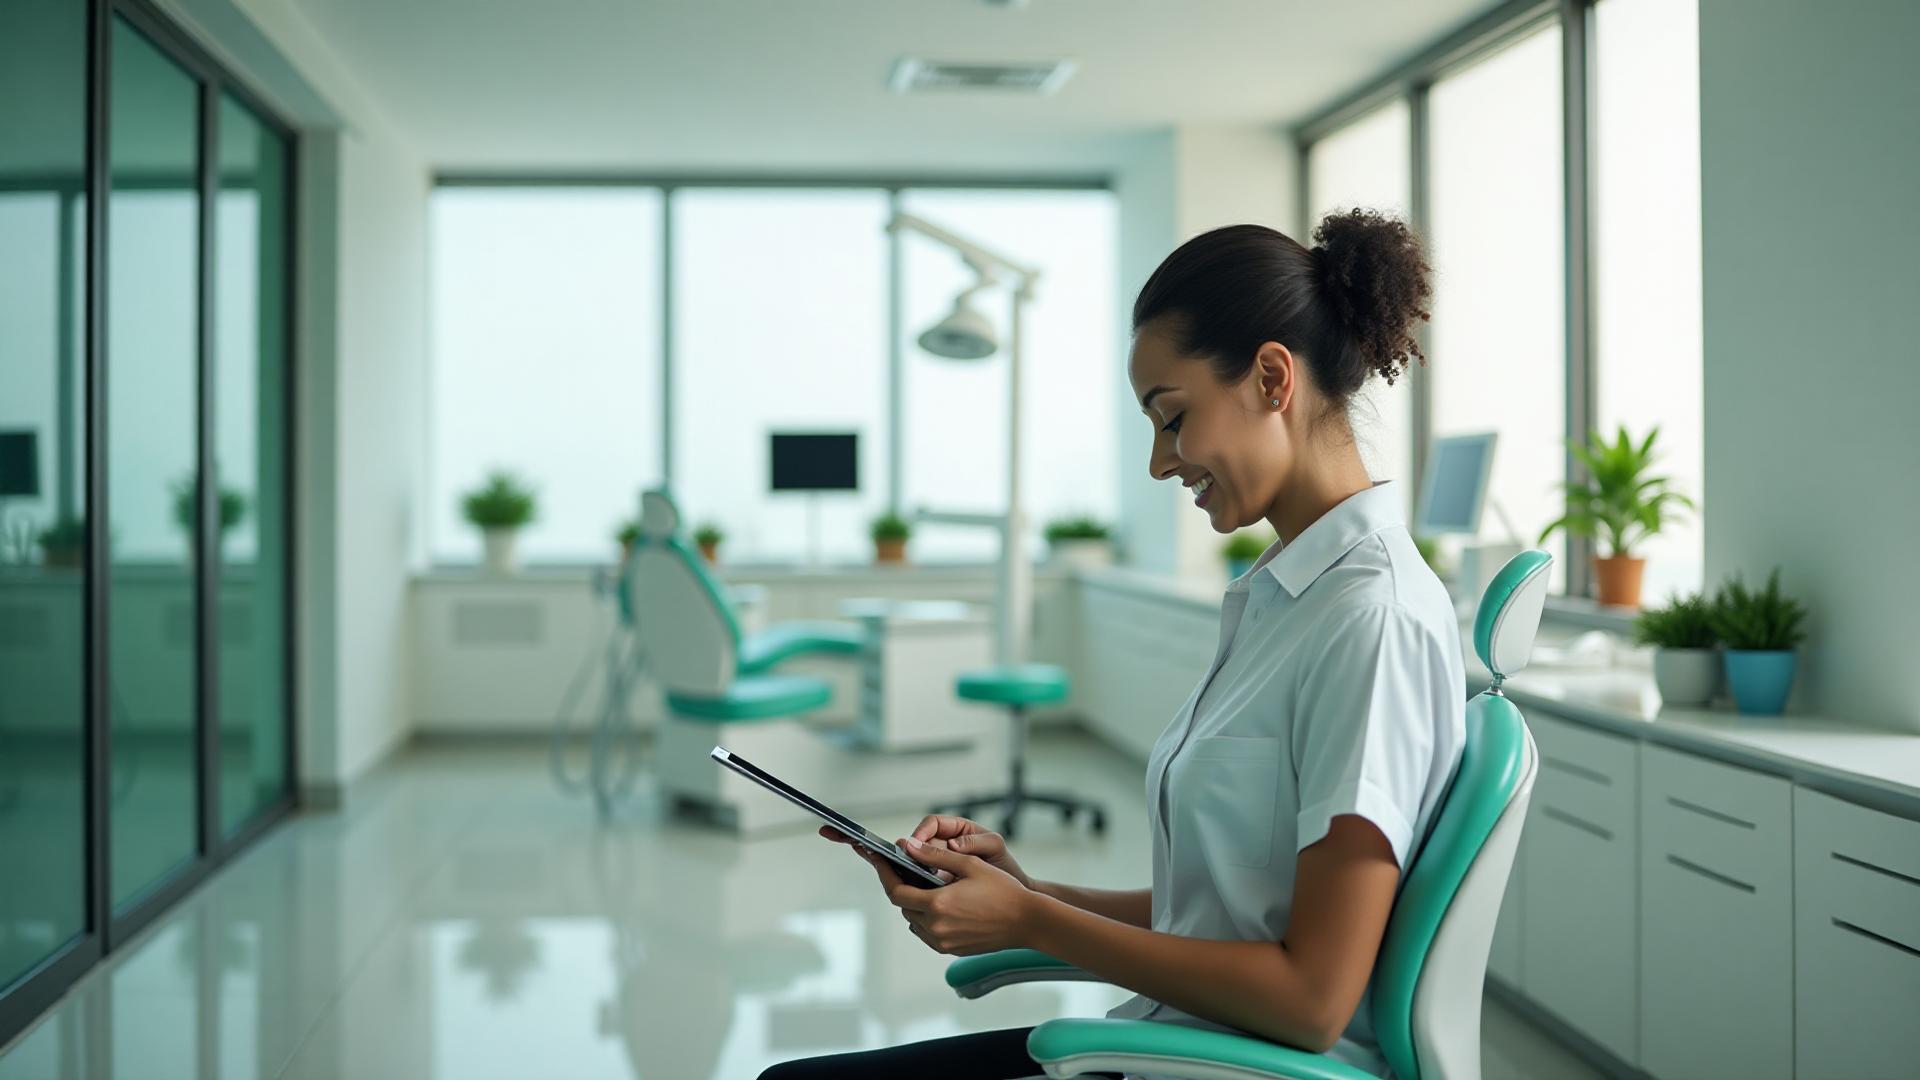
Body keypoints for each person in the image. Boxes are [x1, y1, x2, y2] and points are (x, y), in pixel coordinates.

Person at [760, 209, 1462, 1080]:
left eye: (1173, 418)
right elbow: (1229, 913)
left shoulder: (1371, 621)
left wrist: (1033, 926)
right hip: (1187, 1040)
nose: (1161, 463)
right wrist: (1030, 895)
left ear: (1272, 378)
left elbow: (1312, 1001)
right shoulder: (1293, 597)